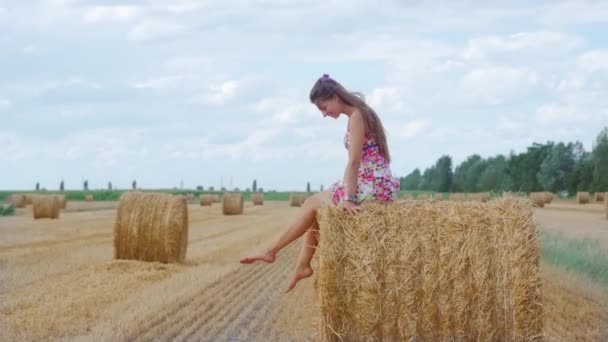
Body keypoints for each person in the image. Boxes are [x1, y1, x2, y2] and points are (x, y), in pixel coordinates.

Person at [240, 74, 400, 292]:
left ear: (335, 97)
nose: (325, 114)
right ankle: (303, 265)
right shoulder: (360, 113)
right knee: (317, 207)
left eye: (324, 108)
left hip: (373, 184)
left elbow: (354, 161)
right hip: (373, 180)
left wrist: (348, 198)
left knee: (312, 202)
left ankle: (272, 251)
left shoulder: (357, 117)